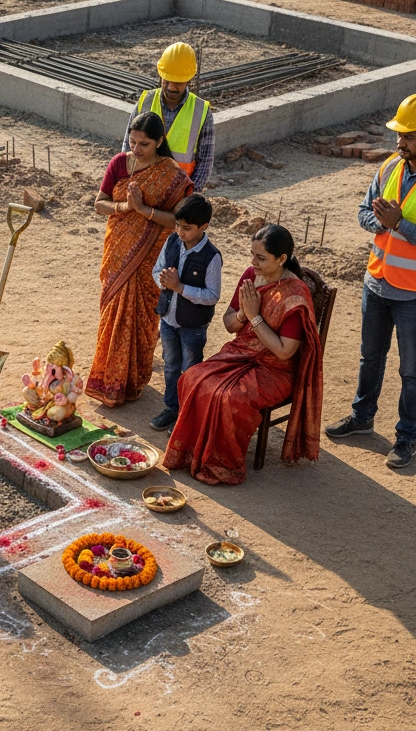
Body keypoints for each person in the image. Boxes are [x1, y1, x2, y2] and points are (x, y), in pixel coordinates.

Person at [325, 93, 416, 470]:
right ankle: (362, 417)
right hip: (377, 283)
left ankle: (406, 438)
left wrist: (400, 224)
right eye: (398, 135)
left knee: (411, 370)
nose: (399, 142)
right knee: (370, 357)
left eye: (408, 136)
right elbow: (363, 213)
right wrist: (381, 222)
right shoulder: (388, 167)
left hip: (415, 295)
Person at [164, 225, 323, 485]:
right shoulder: (251, 275)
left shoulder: (294, 295)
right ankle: (194, 450)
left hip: (275, 369)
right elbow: (229, 325)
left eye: (261, 258)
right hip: (240, 353)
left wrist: (254, 316)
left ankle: (221, 464)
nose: (253, 263)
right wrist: (242, 314)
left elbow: (285, 352)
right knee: (192, 377)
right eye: (252, 255)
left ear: (281, 259)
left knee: (229, 398)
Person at [86, 112, 193, 406]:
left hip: (150, 259)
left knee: (142, 319)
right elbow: (99, 204)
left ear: (160, 141)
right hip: (118, 253)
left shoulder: (172, 175)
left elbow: (179, 222)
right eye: (132, 141)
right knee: (113, 314)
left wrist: (145, 210)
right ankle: (106, 380)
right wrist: (125, 207)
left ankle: (130, 383)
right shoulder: (120, 163)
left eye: (144, 144)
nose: (136, 149)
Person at [149, 193, 222, 432]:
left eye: (187, 228)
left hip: (193, 327)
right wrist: (163, 281)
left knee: (189, 370)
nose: (180, 232)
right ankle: (172, 408)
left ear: (204, 227)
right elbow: (157, 270)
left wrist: (179, 287)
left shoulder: (212, 257)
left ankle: (187, 414)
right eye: (178, 226)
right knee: (170, 366)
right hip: (168, 319)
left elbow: (212, 295)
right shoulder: (172, 242)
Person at [123, 42, 215, 191]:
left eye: (178, 82)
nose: (171, 87)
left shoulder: (201, 111)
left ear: (189, 79)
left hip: (178, 190)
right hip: (142, 188)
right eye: (167, 80)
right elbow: (128, 148)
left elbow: (205, 161)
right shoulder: (145, 101)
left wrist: (189, 195)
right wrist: (126, 182)